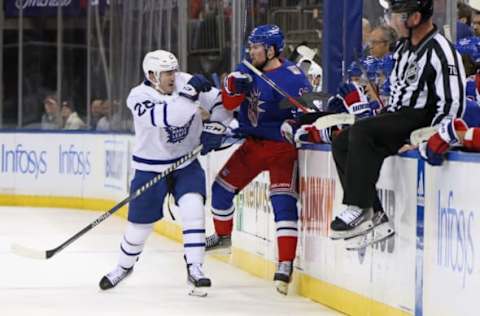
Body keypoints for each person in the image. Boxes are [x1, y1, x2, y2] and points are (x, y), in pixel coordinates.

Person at [328, 0, 465, 247]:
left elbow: (453, 102)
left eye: (397, 14)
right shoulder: (403, 48)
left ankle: (359, 206)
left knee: (362, 132)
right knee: (342, 141)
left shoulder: (441, 51)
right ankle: (376, 216)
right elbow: (399, 92)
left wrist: (428, 136)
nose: (391, 19)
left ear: (414, 18)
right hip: (400, 117)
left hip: (420, 120)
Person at [99, 50, 231, 295]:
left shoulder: (183, 81)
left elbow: (222, 103)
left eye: (173, 71)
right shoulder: (138, 97)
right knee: (139, 227)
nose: (173, 77)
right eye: (166, 73)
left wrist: (216, 124)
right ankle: (124, 266)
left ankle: (195, 268)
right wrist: (191, 93)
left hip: (185, 164)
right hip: (150, 167)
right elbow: (172, 118)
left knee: (193, 209)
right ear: (151, 75)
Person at [204, 24, 312, 295]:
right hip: (252, 145)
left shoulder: (293, 78)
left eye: (256, 47)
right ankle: (223, 236)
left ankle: (285, 264)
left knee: (282, 202)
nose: (250, 51)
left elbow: (307, 112)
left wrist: (293, 121)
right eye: (250, 46)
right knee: (220, 190)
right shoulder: (246, 72)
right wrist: (231, 86)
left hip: (281, 148)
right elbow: (229, 105)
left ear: (272, 49)